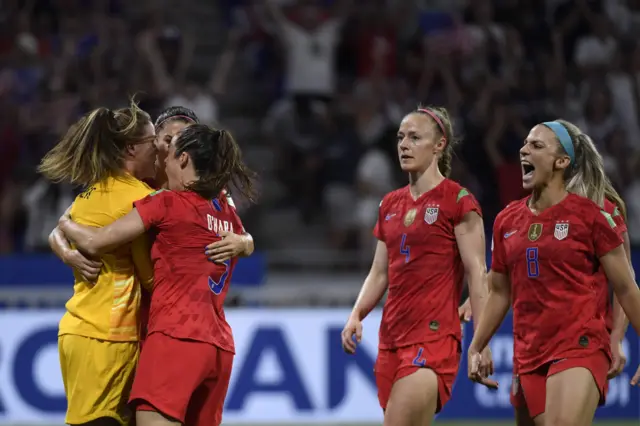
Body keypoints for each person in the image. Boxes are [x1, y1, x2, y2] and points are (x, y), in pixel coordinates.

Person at [58, 124, 257, 426]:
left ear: (184, 159)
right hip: (218, 348)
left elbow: (95, 242)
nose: (163, 161)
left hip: (176, 338)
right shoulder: (227, 214)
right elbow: (246, 241)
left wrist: (64, 221)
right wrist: (246, 243)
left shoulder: (166, 202)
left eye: (170, 155)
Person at [468, 119, 640, 426]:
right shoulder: (506, 221)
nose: (523, 149)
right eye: (525, 144)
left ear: (562, 162)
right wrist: (477, 345)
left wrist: (619, 336)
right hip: (528, 351)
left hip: (580, 343)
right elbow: (500, 291)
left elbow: (626, 287)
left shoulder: (593, 215)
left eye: (536, 145)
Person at [340, 106, 495, 426]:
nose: (403, 145)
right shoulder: (390, 204)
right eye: (400, 137)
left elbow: (477, 274)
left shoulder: (458, 200)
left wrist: (482, 342)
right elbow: (380, 271)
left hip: (434, 340)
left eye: (414, 137)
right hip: (391, 340)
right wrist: (356, 314)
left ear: (439, 145)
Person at [39, 101, 158, 426]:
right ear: (132, 148)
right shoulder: (138, 200)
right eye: (152, 143)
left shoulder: (90, 194)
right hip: (107, 337)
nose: (159, 151)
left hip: (79, 329)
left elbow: (60, 226)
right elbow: (150, 277)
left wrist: (66, 252)